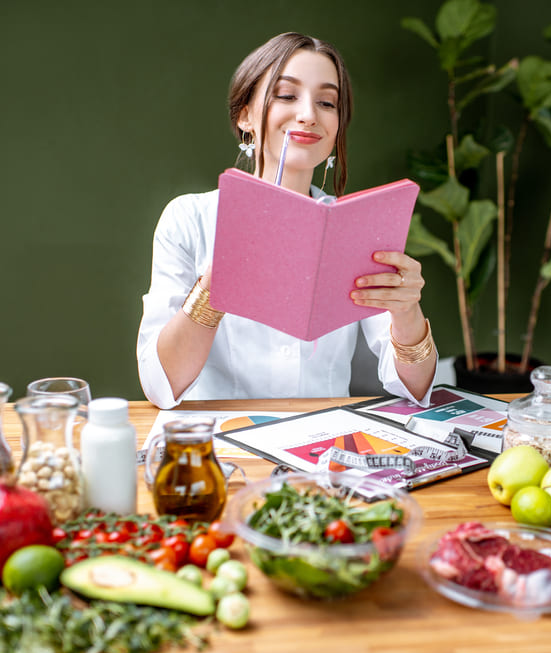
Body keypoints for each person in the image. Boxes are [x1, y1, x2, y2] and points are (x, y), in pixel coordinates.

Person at [137, 32, 437, 409]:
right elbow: (160, 385)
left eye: (327, 102)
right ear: (245, 114)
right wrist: (216, 287)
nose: (309, 114)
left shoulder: (358, 228)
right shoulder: (188, 219)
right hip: (219, 449)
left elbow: (416, 387)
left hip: (324, 450)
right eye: (286, 95)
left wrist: (407, 310)